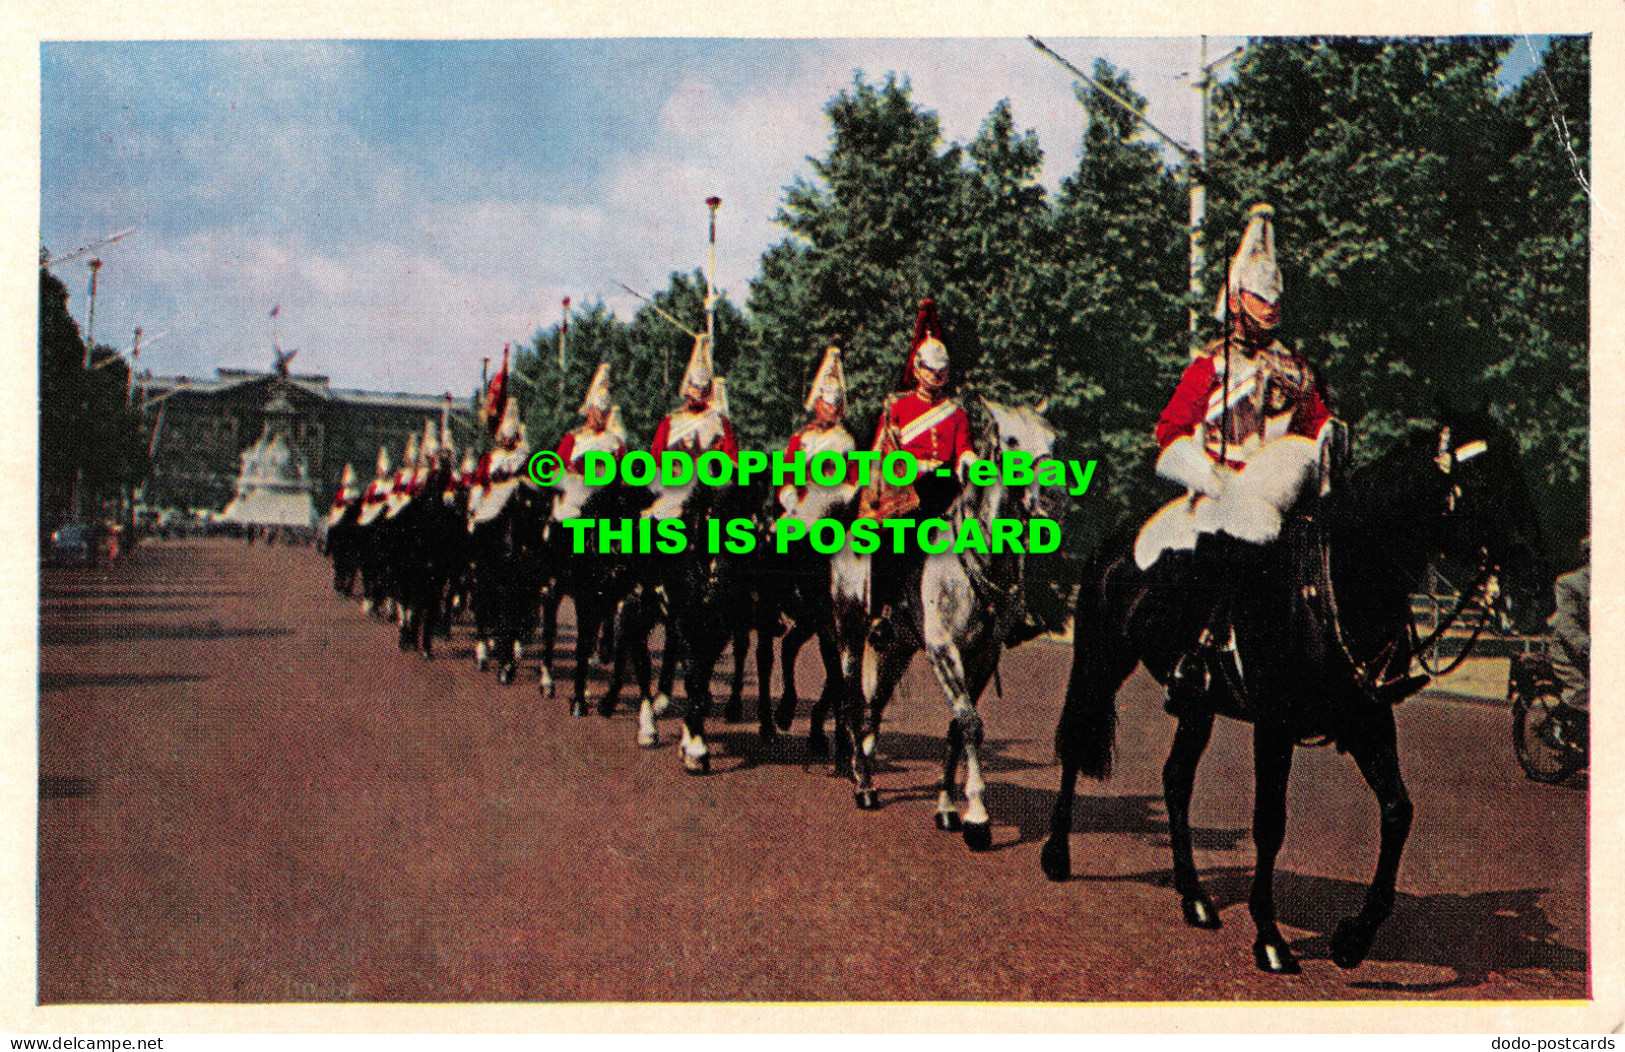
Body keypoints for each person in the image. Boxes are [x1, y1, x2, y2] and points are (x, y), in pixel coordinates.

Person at [1136, 204, 1352, 712]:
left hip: (1281, 489)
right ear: (1237, 302)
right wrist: (1205, 474)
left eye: (1273, 299)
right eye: (1258, 298)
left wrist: (1328, 436)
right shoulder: (1209, 367)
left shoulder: (1294, 367)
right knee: (1225, 553)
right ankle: (1199, 652)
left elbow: (1314, 420)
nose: (1269, 310)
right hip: (1220, 486)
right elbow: (1168, 431)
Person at [862, 298, 977, 645]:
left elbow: (964, 449)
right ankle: (880, 612)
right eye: (929, 370)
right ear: (917, 369)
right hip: (907, 486)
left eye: (941, 372)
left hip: (944, 485)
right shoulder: (897, 406)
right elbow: (883, 453)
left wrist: (969, 461)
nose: (935, 377)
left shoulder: (956, 413)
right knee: (890, 537)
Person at [648, 334, 738, 520]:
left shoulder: (719, 421)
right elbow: (656, 459)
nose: (696, 396)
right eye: (694, 389)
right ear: (688, 389)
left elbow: (731, 456)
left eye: (702, 390)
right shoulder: (670, 422)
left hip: (711, 484)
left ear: (707, 393)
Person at [779, 347, 859, 525]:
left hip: (839, 500)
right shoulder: (801, 437)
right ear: (819, 403)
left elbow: (856, 478)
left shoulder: (847, 440)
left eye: (834, 405)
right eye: (827, 404)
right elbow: (786, 477)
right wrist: (791, 499)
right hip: (807, 499)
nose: (831, 410)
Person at [1548, 542, 1589, 743]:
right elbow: (1567, 622)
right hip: (1566, 648)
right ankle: (1558, 723)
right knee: (1583, 691)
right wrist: (1587, 645)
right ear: (1587, 557)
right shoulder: (1569, 583)